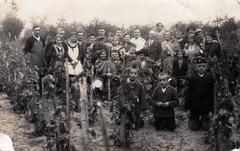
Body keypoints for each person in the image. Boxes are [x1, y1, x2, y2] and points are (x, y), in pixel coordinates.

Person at [185, 57, 215, 131]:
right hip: (195, 106)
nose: (201, 68)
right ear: (196, 67)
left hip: (205, 107)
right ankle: (194, 120)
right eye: (199, 66)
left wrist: (211, 110)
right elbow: (189, 93)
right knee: (194, 128)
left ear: (207, 67)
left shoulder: (210, 79)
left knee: (206, 128)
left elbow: (212, 95)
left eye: (203, 66)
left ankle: (204, 120)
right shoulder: (193, 79)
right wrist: (188, 108)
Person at [120, 64, 146, 130]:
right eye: (131, 73)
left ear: (137, 74)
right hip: (126, 106)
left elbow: (143, 97)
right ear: (129, 73)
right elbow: (121, 95)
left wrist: (142, 110)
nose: (133, 75)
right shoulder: (124, 83)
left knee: (137, 125)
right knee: (126, 124)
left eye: (135, 73)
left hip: (136, 107)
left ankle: (138, 121)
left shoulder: (140, 85)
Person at [23, 25, 45, 96]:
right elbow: (26, 49)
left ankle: (41, 93)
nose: (37, 32)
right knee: (33, 75)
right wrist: (23, 58)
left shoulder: (42, 39)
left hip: (41, 59)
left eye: (39, 30)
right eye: (36, 30)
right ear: (33, 31)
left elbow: (43, 47)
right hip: (33, 58)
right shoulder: (30, 39)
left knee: (41, 75)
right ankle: (34, 93)